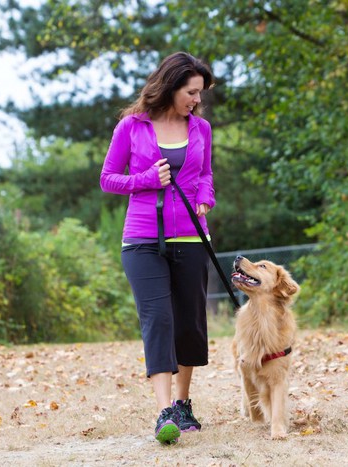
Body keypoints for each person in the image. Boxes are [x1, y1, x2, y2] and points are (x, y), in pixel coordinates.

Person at [99, 52, 215, 445]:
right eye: (191, 92)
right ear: (171, 86)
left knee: (189, 323)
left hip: (190, 237)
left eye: (199, 93)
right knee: (158, 320)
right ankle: (164, 411)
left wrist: (206, 196)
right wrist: (146, 179)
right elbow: (108, 179)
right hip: (142, 239)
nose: (196, 100)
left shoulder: (201, 128)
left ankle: (183, 403)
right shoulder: (131, 127)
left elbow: (205, 175)